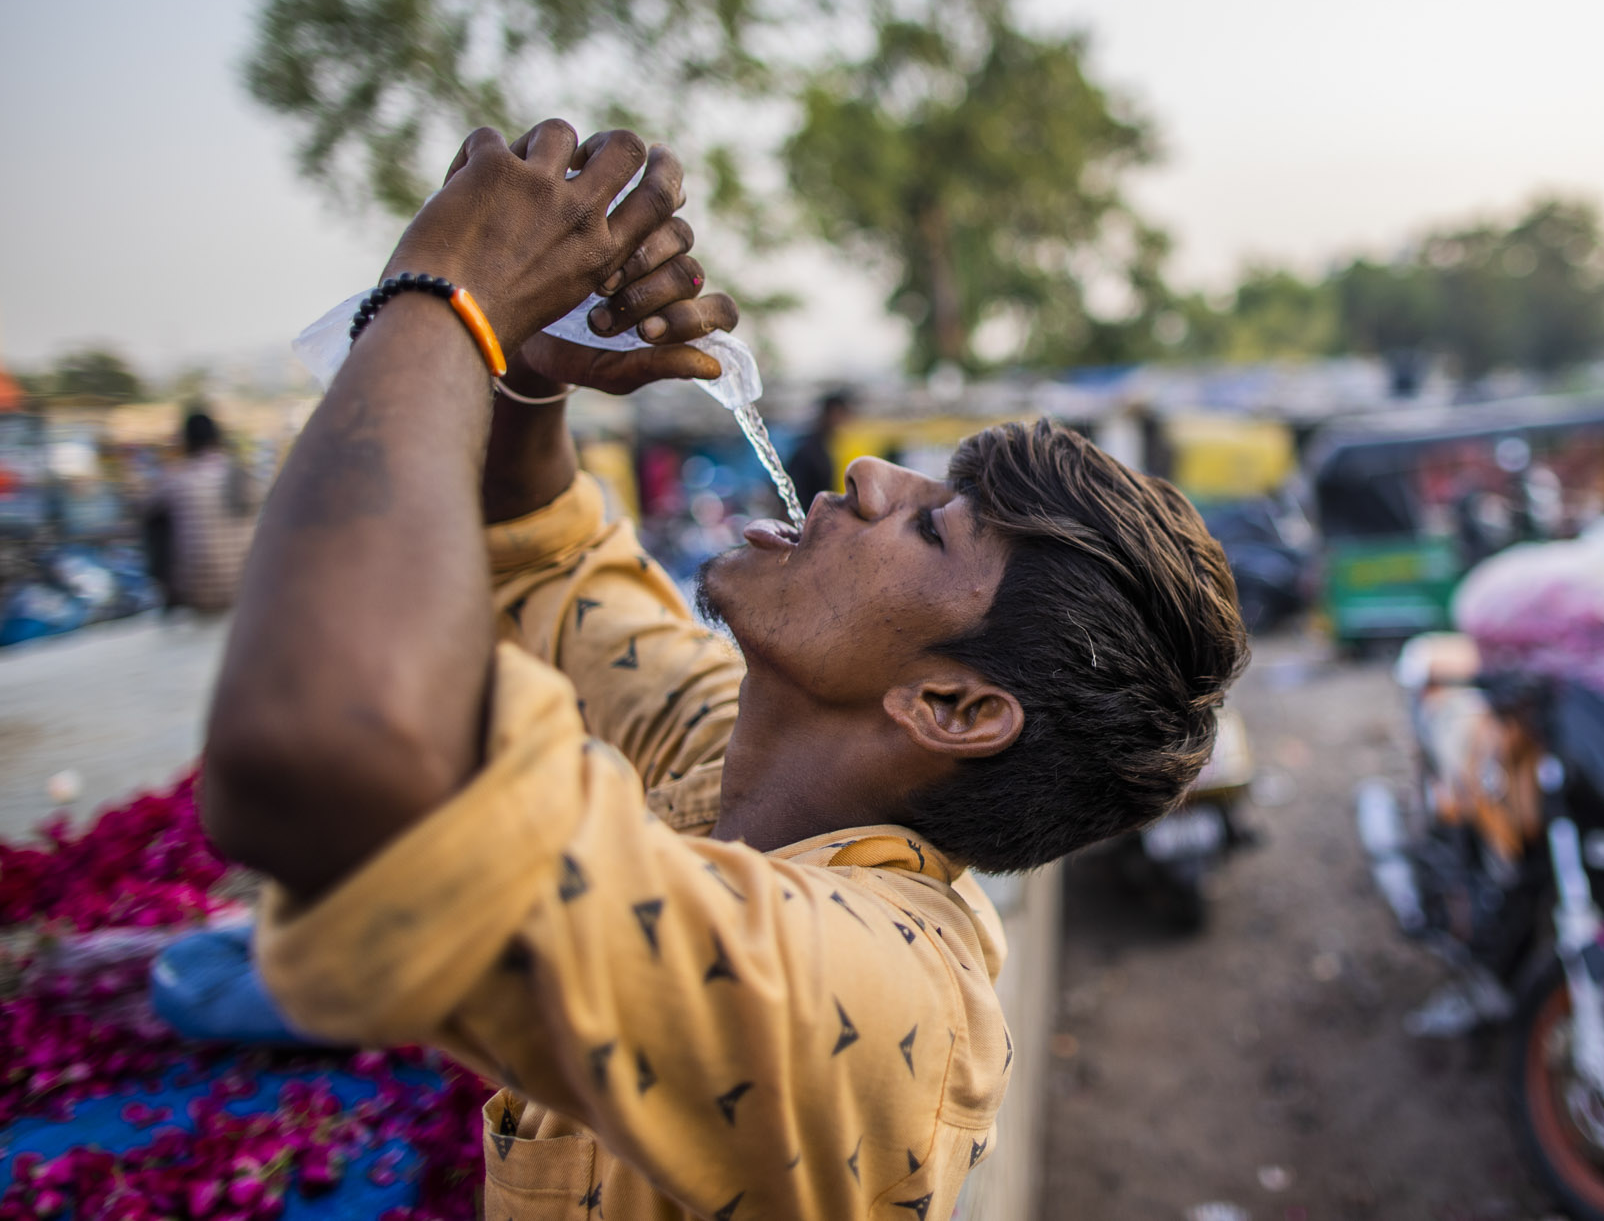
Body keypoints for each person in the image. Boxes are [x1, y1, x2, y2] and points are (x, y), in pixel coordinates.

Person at [198, 121, 1248, 1220]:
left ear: (950, 706)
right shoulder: (740, 771)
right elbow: (550, 554)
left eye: (934, 528)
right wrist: (527, 366)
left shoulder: (881, 990)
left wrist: (442, 299)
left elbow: (332, 752)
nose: (870, 475)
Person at [143, 408, 260, 612]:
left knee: (158, 520)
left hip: (198, 594)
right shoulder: (240, 472)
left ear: (185, 440)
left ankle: (169, 594)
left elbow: (146, 510)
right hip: (248, 588)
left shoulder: (176, 478)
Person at [787, 389, 852, 506]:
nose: (840, 422)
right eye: (838, 415)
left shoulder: (829, 448)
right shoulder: (808, 451)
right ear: (827, 414)